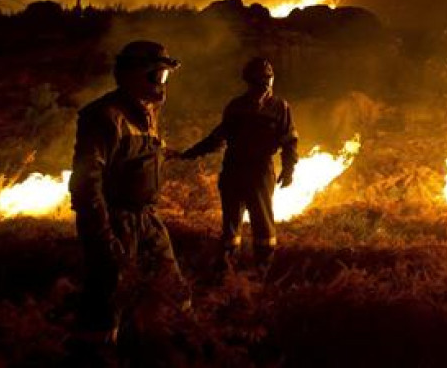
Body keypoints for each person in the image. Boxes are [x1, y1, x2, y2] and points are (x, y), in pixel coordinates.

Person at [68, 40, 189, 344]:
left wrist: (170, 154)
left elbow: (139, 155)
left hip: (147, 219)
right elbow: (86, 182)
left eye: (165, 77)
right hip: (115, 222)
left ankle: (157, 349)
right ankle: (95, 354)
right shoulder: (104, 116)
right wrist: (102, 236)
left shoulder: (146, 112)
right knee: (107, 299)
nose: (162, 84)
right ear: (134, 74)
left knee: (171, 290)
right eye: (158, 76)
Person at [180, 57, 298, 272]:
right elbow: (217, 138)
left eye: (266, 80)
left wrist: (289, 170)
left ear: (271, 80)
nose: (263, 85)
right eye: (258, 81)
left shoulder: (280, 107)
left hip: (260, 171)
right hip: (234, 169)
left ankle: (261, 270)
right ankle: (226, 270)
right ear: (249, 81)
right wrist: (190, 154)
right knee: (231, 224)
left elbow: (289, 141)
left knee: (262, 224)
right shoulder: (236, 107)